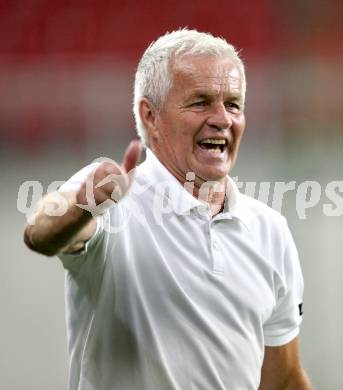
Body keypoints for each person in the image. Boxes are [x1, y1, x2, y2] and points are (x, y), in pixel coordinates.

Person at [24, 29, 312, 390]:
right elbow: (40, 231)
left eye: (233, 104)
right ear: (151, 116)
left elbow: (283, 380)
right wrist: (83, 207)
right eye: (200, 102)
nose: (223, 118)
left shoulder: (270, 229)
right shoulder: (110, 198)